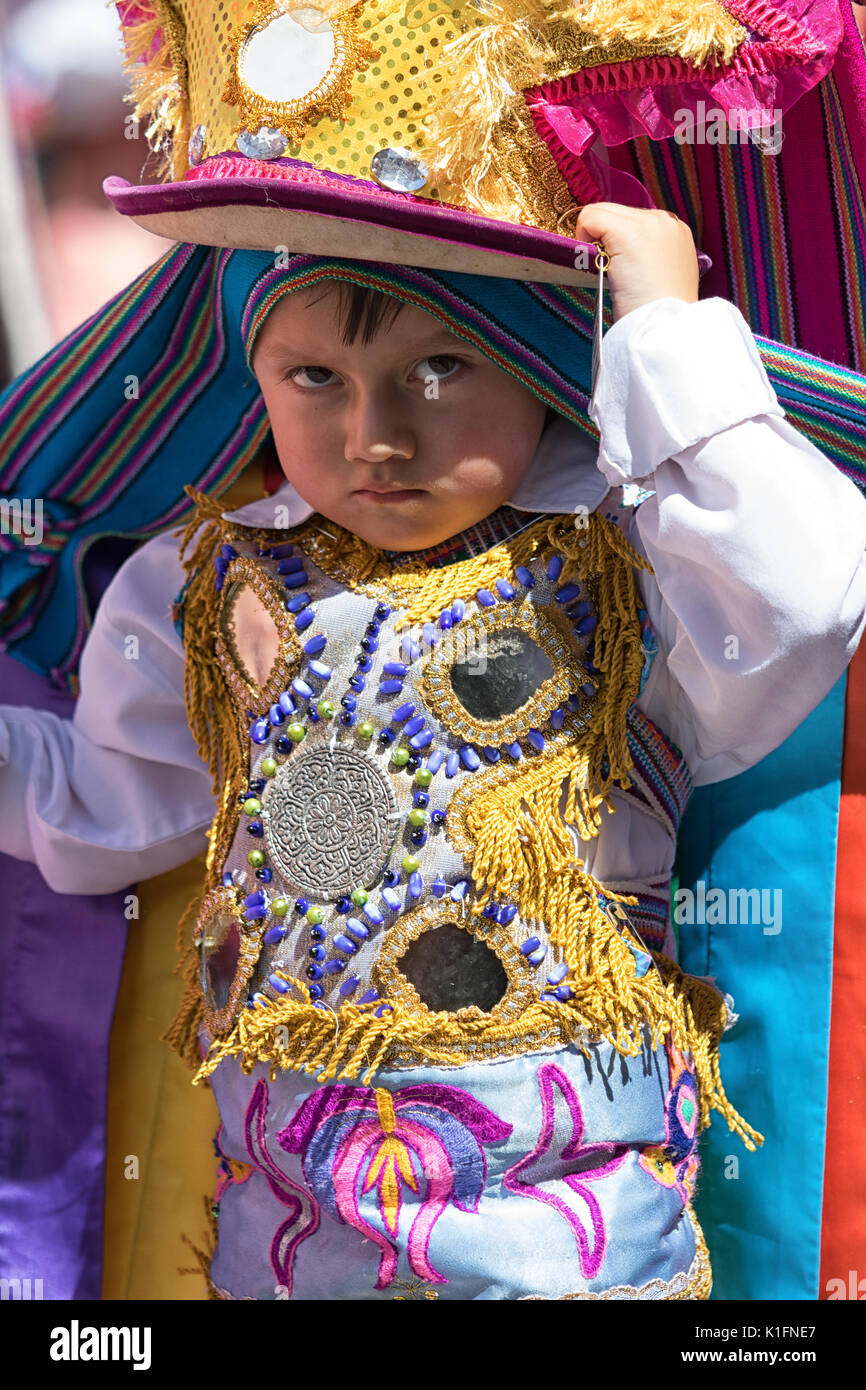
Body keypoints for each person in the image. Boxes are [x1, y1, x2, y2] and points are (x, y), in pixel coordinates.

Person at [1, 0, 862, 1301]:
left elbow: (805, 599)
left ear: (541, 357)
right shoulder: (202, 581)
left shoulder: (635, 551)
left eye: (444, 364)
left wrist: (665, 336)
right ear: (250, 374)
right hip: (285, 1247)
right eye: (314, 382)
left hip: (582, 1252)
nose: (377, 437)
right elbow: (102, 816)